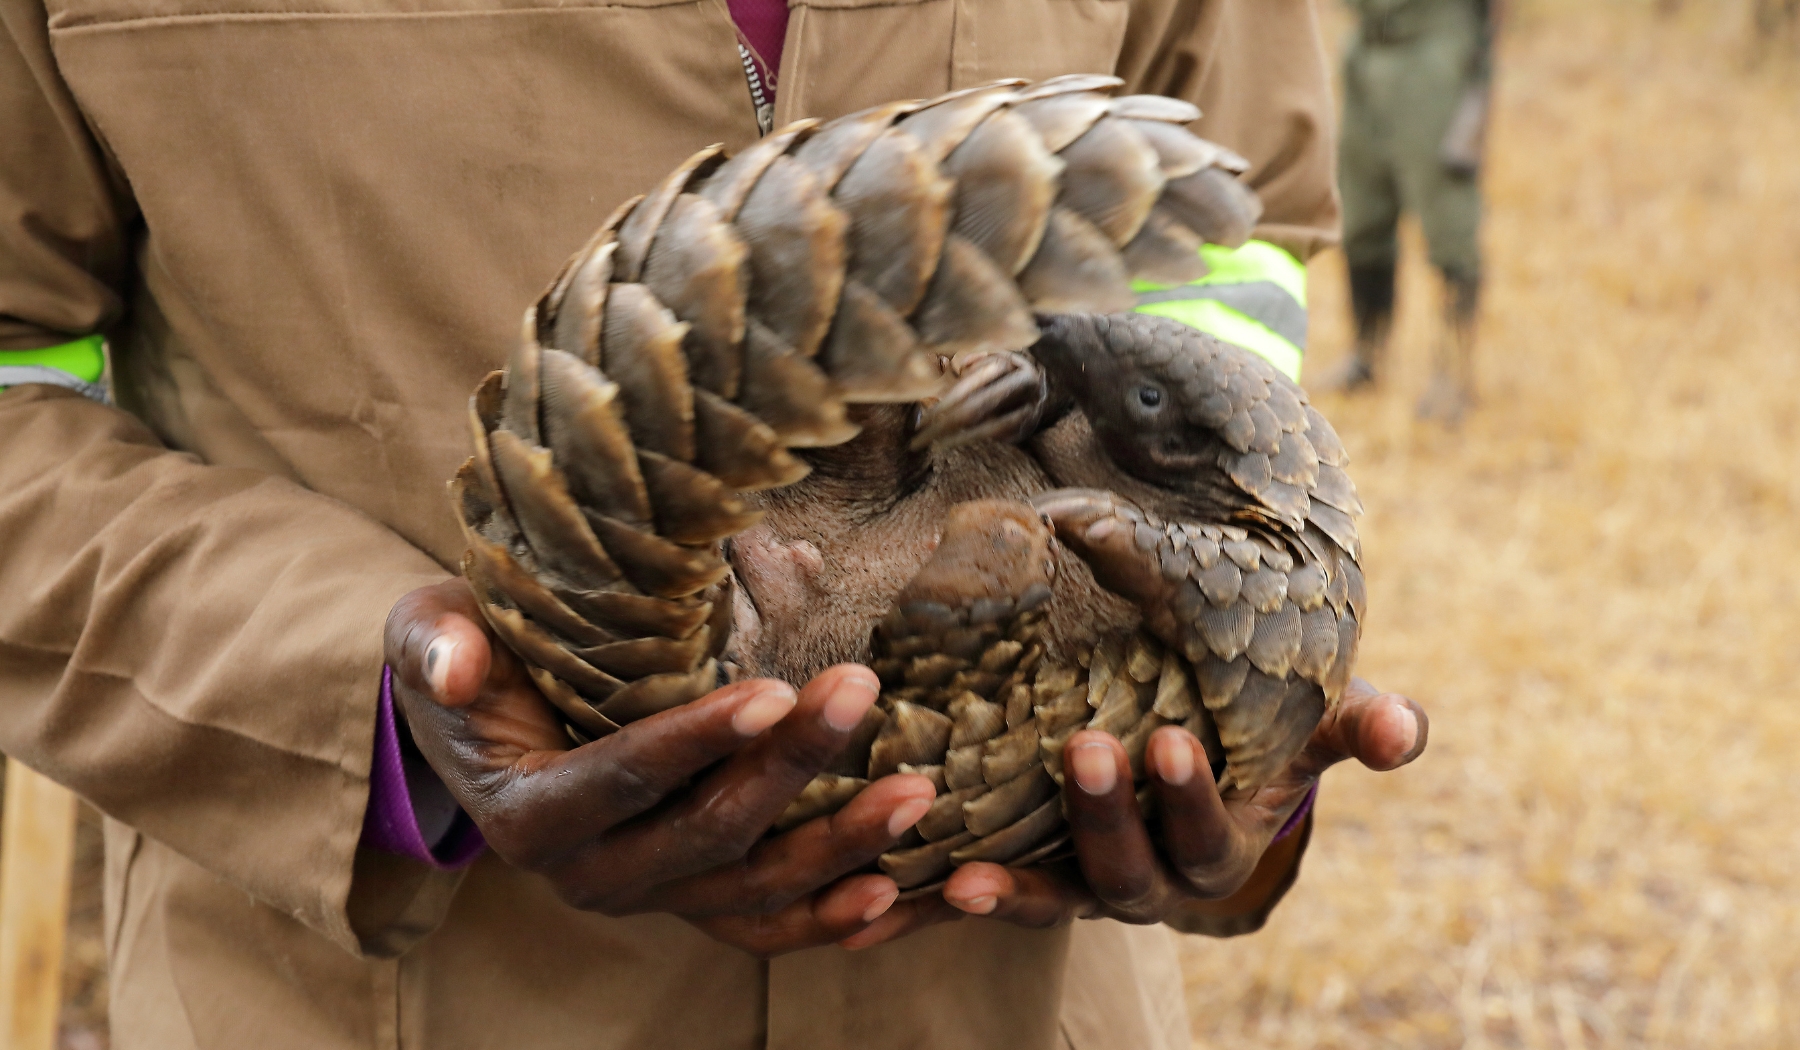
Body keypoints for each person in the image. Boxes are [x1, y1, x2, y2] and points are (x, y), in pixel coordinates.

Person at [0, 0, 1426, 1045]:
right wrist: (362, 701)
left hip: (1011, 976)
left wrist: (1224, 668)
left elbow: (1227, 244)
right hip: (377, 990)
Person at [1326, 0, 1503, 424]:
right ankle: (1367, 356)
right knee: (1361, 214)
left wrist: (1481, 68)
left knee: (1448, 221)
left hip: (1434, 50)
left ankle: (1454, 373)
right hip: (1365, 44)